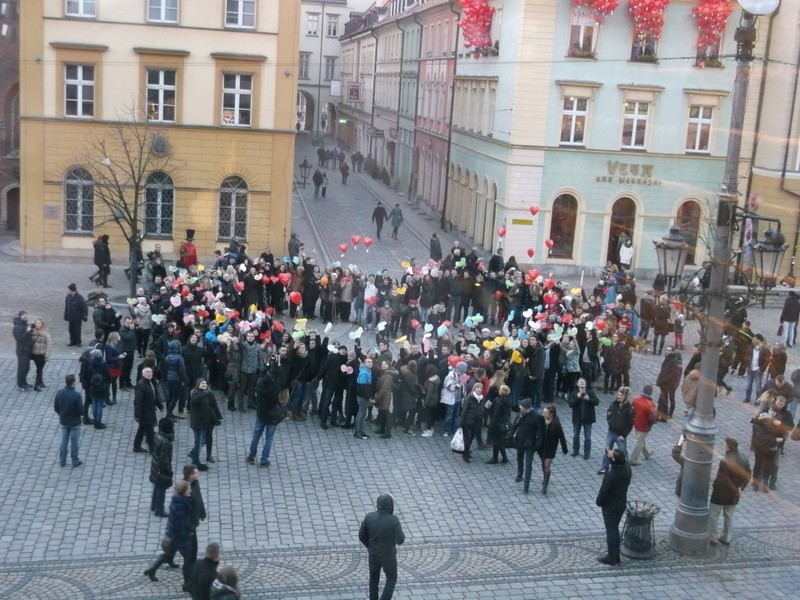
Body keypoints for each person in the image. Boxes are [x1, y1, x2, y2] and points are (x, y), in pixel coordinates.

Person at [143, 480, 195, 584]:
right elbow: (181, 525)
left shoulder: (178, 501)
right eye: (188, 489)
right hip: (179, 537)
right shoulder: (181, 506)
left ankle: (152, 570)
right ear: (184, 491)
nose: (190, 490)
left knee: (168, 554)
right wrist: (188, 533)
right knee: (188, 559)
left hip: (174, 535)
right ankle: (187, 583)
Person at [359, 493, 405, 600]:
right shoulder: (394, 520)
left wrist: (370, 546)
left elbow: (361, 535)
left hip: (373, 555)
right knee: (391, 579)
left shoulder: (369, 517)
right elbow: (400, 540)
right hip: (388, 556)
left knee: (374, 579)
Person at [709, 437, 751, 546]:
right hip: (734, 495)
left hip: (721, 493)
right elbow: (748, 476)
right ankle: (726, 537)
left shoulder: (725, 460)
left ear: (728, 446)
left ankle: (713, 538)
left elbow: (725, 479)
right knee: (729, 515)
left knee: (713, 514)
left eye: (725, 445)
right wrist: (740, 488)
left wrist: (734, 489)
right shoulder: (744, 458)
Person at [247, 355, 287, 467]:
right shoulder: (276, 387)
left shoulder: (260, 387)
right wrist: (279, 365)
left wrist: (267, 365)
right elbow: (283, 379)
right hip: (273, 415)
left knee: (256, 436)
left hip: (261, 415)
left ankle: (251, 456)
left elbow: (261, 375)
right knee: (269, 438)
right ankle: (264, 460)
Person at [596, 448, 632, 565]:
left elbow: (603, 491)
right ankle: (615, 554)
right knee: (614, 529)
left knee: (611, 531)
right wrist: (612, 456)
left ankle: (612, 557)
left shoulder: (611, 475)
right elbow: (619, 461)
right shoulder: (627, 470)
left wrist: (599, 502)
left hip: (610, 507)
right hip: (621, 503)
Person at [511, 398, 543, 493]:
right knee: (519, 459)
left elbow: (540, 432)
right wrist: (509, 436)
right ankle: (520, 474)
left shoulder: (536, 417)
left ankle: (526, 486)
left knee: (529, 464)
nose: (521, 409)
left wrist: (537, 445)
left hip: (530, 443)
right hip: (520, 441)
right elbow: (514, 425)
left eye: (522, 408)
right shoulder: (520, 414)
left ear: (527, 408)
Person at [598, 386, 633, 475]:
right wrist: (609, 421)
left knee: (623, 451)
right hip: (611, 431)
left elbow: (630, 424)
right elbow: (609, 412)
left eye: (620, 395)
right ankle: (604, 467)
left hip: (620, 435)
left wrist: (624, 435)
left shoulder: (629, 409)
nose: (618, 396)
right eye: (618, 394)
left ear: (625, 396)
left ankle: (626, 469)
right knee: (607, 449)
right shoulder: (614, 404)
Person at [53, 374, 84, 467]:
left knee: (64, 441)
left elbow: (56, 407)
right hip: (75, 423)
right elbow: (81, 411)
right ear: (73, 383)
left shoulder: (60, 392)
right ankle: (75, 460)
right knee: (74, 443)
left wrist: (61, 414)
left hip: (64, 421)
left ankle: (62, 460)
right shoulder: (77, 395)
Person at [537, 404, 568, 495]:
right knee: (543, 463)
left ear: (551, 414)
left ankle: (545, 486)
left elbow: (561, 436)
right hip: (542, 447)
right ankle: (545, 476)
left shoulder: (556, 424)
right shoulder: (541, 420)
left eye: (545, 413)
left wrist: (564, 448)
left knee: (547, 465)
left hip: (551, 448)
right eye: (543, 412)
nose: (543, 414)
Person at [134, 366, 164, 453]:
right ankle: (151, 449)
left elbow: (153, 396)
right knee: (150, 431)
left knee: (142, 429)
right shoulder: (141, 385)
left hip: (149, 411)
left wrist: (160, 406)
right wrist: (137, 415)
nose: (149, 374)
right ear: (143, 374)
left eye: (150, 372)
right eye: (147, 372)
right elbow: (137, 401)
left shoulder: (150, 383)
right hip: (145, 413)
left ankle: (136, 446)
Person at [150, 417, 175, 518]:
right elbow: (164, 459)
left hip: (155, 466)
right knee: (162, 487)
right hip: (161, 469)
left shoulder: (158, 436)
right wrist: (168, 471)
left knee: (157, 485)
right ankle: (159, 509)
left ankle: (154, 505)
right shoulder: (166, 443)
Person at [568, 377, 599, 459]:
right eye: (580, 382)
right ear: (577, 384)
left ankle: (587, 452)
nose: (582, 383)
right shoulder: (574, 393)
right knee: (576, 435)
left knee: (588, 437)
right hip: (577, 419)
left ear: (585, 384)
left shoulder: (590, 392)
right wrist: (577, 398)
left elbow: (597, 402)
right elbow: (570, 404)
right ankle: (575, 451)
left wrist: (588, 399)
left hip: (588, 419)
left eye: (583, 382)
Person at [189, 378, 215, 471]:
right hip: (198, 423)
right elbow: (195, 400)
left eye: (205, 383)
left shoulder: (207, 393)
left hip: (203, 423)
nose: (204, 384)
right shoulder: (196, 393)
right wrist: (203, 394)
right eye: (202, 383)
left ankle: (194, 455)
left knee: (202, 441)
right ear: (197, 385)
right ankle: (195, 461)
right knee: (199, 442)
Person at [628, 385, 657, 465]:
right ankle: (632, 459)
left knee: (640, 439)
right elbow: (652, 418)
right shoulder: (650, 404)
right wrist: (653, 423)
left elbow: (631, 410)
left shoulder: (636, 400)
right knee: (639, 441)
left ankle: (646, 454)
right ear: (650, 392)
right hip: (644, 425)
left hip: (636, 422)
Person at [459, 382, 485, 463]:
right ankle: (465, 454)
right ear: (474, 388)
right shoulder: (470, 397)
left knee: (472, 437)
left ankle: (467, 450)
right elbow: (465, 410)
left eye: (481, 388)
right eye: (478, 388)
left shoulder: (482, 399)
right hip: (468, 421)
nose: (479, 389)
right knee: (467, 438)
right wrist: (461, 422)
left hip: (476, 422)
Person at [486, 384, 512, 464]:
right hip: (505, 423)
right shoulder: (508, 400)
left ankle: (495, 458)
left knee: (496, 442)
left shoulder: (499, 402)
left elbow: (495, 416)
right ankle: (504, 458)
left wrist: (491, 426)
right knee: (501, 441)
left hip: (498, 425)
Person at [743, 333, 771, 404]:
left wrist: (761, 368)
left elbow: (767, 360)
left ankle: (758, 400)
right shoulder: (751, 347)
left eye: (754, 339)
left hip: (758, 370)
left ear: (759, 340)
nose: (753, 340)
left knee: (758, 387)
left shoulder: (764, 349)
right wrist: (747, 364)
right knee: (748, 385)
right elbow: (747, 355)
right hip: (750, 368)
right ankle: (747, 398)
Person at [30, 319, 52, 392]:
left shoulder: (46, 333)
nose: (37, 324)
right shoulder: (31, 331)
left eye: (39, 323)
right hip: (34, 354)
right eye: (36, 323)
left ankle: (39, 383)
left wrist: (47, 355)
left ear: (42, 324)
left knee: (39, 369)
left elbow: (49, 345)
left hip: (41, 354)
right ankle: (38, 383)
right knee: (39, 369)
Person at [13, 310, 33, 391]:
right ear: (20, 316)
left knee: (27, 367)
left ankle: (24, 382)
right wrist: (28, 331)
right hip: (22, 351)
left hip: (27, 350)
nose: (25, 316)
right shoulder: (17, 327)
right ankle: (20, 384)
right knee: (22, 368)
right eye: (23, 315)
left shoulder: (24, 324)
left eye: (26, 315)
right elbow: (19, 338)